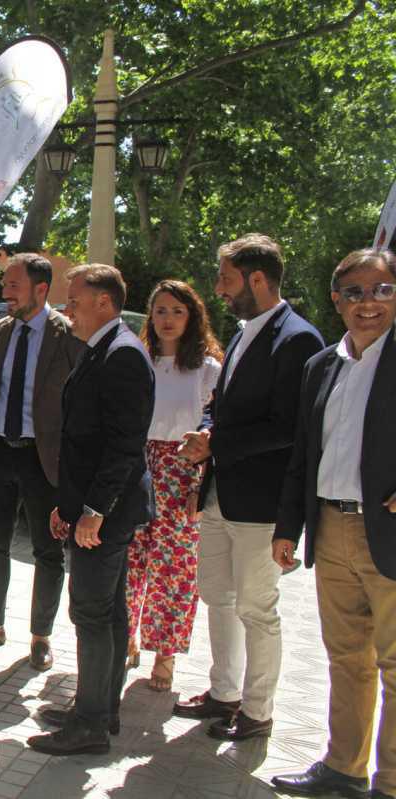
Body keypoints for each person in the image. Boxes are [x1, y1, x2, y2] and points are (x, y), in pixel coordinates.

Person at [174, 233, 324, 741]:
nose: (218, 289)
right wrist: (207, 432)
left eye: (226, 279)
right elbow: (222, 405)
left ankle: (257, 713)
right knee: (218, 595)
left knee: (256, 609)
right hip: (220, 493)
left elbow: (289, 426)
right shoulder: (242, 334)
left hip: (262, 502)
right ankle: (224, 693)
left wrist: (216, 443)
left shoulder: (298, 338)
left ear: (257, 279)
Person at [270, 249, 396, 799]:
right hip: (330, 525)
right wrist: (288, 527)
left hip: (388, 531)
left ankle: (389, 784)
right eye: (355, 292)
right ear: (336, 300)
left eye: (383, 289)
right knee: (346, 658)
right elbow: (304, 452)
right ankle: (344, 768)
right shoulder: (321, 365)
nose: (369, 302)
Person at [28, 263, 154, 756]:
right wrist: (69, 505)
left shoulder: (123, 354)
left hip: (108, 512)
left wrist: (94, 511)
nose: (67, 308)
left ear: (104, 302)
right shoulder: (103, 348)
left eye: (75, 300)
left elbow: (124, 445)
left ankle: (90, 724)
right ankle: (99, 707)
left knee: (91, 613)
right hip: (96, 507)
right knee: (109, 610)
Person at [0, 253, 85, 672]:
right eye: (5, 284)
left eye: (13, 285)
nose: (5, 292)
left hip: (44, 457)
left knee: (48, 551)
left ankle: (41, 637)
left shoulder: (69, 336)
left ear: (41, 290)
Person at [125, 280, 222, 692]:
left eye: (177, 311)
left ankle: (164, 655)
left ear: (192, 316)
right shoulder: (138, 358)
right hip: (136, 465)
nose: (168, 319)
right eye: (161, 310)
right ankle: (125, 635)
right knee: (129, 559)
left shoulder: (207, 367)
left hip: (180, 470)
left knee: (173, 568)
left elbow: (216, 422)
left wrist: (203, 470)